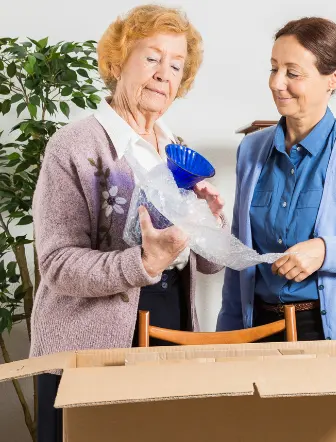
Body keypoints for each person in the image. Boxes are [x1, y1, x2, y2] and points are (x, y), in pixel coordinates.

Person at [29, 5, 224, 442]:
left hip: (170, 328)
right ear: (118, 63)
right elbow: (58, 266)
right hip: (88, 341)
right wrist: (143, 262)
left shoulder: (178, 148)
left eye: (176, 65)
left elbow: (208, 266)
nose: (163, 73)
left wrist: (209, 225)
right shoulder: (74, 146)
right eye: (152, 57)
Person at [216, 17, 336, 341]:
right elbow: (239, 257)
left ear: (333, 78)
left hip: (330, 334)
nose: (276, 82)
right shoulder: (250, 150)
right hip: (257, 328)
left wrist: (324, 251)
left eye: (292, 73)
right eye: (273, 68)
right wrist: (226, 340)